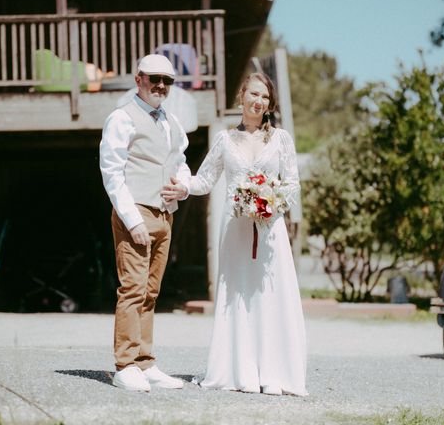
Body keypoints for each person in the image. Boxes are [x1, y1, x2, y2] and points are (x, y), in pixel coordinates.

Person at [164, 72, 307, 396]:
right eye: (253, 94)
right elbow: (204, 180)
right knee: (239, 298)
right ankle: (239, 370)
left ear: (269, 104)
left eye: (265, 98)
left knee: (270, 297)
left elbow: (293, 183)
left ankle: (273, 373)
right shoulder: (225, 140)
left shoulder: (281, 139)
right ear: (242, 95)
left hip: (270, 232)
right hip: (236, 232)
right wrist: (182, 187)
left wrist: (271, 202)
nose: (258, 101)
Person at [100, 54, 190, 392]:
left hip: (165, 215)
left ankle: (145, 362)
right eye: (155, 79)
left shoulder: (171, 121)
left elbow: (179, 160)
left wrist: (181, 187)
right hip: (135, 213)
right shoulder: (121, 118)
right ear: (138, 79)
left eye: (167, 81)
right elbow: (112, 172)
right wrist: (131, 218)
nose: (161, 86)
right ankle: (125, 365)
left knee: (151, 292)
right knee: (132, 289)